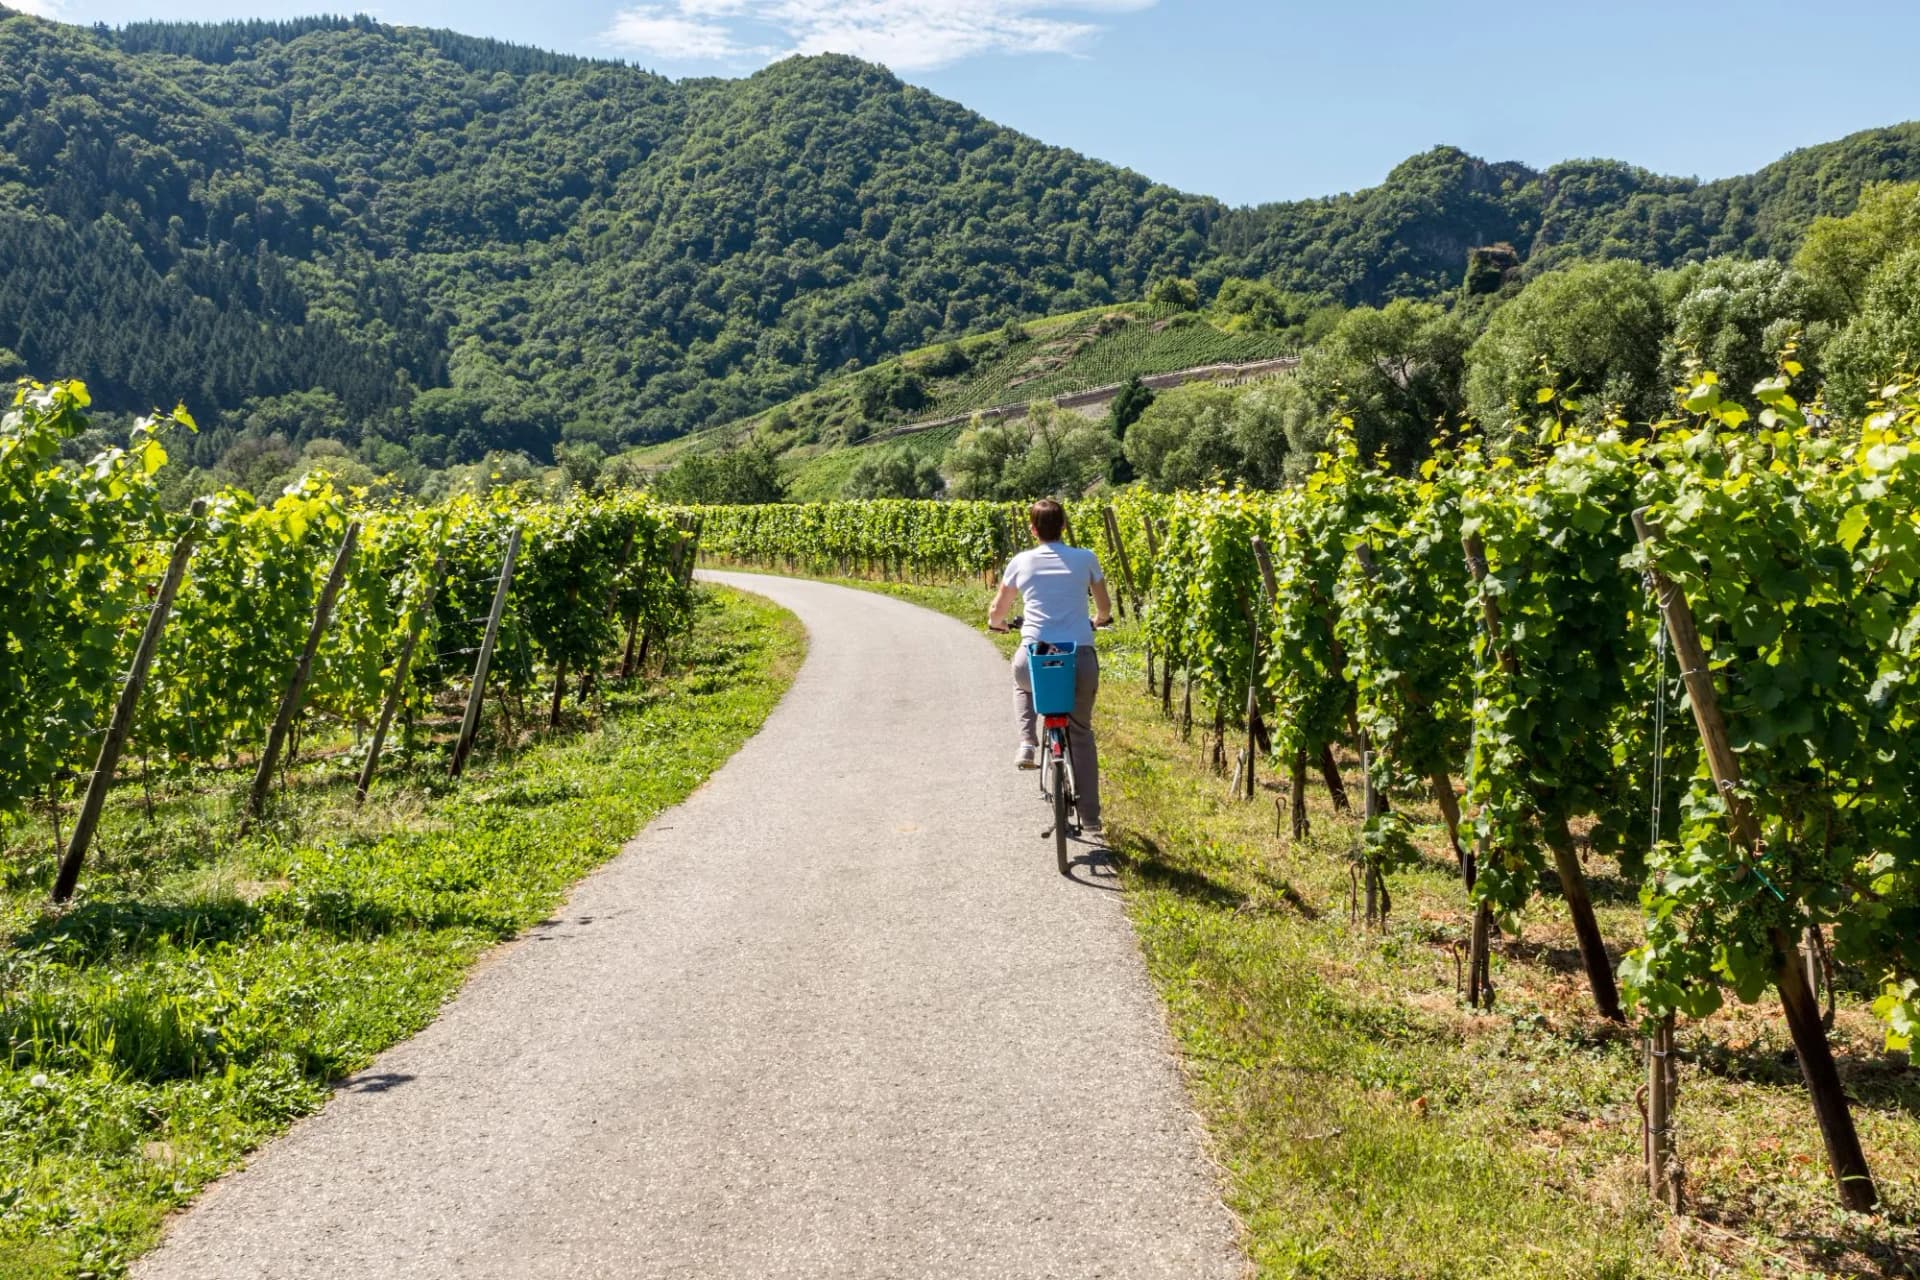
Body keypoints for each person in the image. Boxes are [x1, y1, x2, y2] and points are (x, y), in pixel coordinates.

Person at [988, 499, 1113, 834]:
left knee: (1022, 681)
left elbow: (998, 609)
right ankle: (1090, 817)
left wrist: (996, 623)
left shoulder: (1021, 561)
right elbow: (1104, 607)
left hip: (1036, 655)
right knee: (1081, 732)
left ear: (1033, 530)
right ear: (1063, 527)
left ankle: (1028, 741)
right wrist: (1098, 620)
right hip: (1079, 657)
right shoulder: (1086, 559)